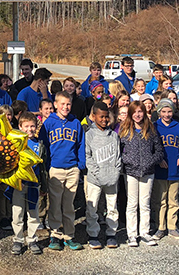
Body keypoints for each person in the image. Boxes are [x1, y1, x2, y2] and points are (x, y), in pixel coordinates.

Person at [40, 91, 85, 251]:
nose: (65, 107)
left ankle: (69, 235)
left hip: (72, 168)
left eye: (68, 104)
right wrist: (47, 167)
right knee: (55, 204)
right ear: (56, 105)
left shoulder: (75, 123)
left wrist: (80, 164)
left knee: (68, 205)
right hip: (55, 169)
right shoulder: (49, 123)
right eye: (63, 104)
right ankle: (55, 234)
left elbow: (80, 144)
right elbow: (43, 146)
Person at [120, 101, 165, 247]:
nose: (137, 115)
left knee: (145, 204)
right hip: (131, 171)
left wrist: (151, 161)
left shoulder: (151, 129)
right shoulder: (125, 130)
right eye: (135, 112)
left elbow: (159, 151)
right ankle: (132, 234)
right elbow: (119, 151)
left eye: (140, 112)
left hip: (148, 171)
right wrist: (127, 161)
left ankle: (144, 232)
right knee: (132, 204)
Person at [84, 102, 122, 249]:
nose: (105, 120)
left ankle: (111, 234)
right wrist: (98, 174)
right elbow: (88, 157)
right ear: (94, 117)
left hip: (112, 178)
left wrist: (115, 173)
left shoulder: (114, 135)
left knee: (112, 207)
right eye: (101, 117)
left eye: (107, 117)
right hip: (95, 179)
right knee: (92, 207)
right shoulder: (89, 135)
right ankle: (93, 234)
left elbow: (118, 157)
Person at [152, 99, 179, 240]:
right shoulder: (154, 127)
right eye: (163, 111)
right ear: (159, 112)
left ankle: (172, 227)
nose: (167, 114)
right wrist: (158, 159)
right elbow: (151, 147)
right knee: (160, 200)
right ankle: (160, 227)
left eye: (169, 111)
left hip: (175, 169)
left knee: (173, 200)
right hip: (160, 169)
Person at [9, 112, 44, 256]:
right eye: (26, 126)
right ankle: (18, 239)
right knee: (17, 212)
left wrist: (43, 184)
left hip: (33, 184)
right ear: (20, 127)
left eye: (32, 126)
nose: (29, 129)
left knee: (33, 213)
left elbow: (42, 166)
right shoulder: (15, 143)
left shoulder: (39, 144)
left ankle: (32, 239)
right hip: (19, 184)